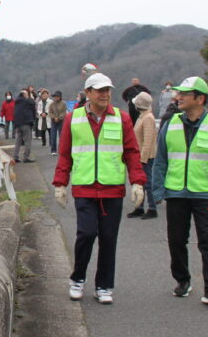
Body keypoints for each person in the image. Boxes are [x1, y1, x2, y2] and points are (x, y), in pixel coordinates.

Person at [53, 71, 146, 304]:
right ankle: (78, 278)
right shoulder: (72, 118)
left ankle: (104, 285)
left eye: (108, 90)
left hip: (112, 188)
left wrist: (137, 182)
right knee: (86, 233)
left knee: (108, 237)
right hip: (84, 187)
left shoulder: (122, 118)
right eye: (100, 90)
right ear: (88, 94)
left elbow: (132, 152)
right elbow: (64, 153)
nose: (105, 95)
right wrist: (60, 184)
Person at [151, 76, 208, 308]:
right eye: (178, 94)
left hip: (204, 192)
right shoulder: (170, 124)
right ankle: (182, 280)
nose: (178, 98)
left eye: (184, 95)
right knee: (177, 240)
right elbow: (161, 161)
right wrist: (157, 191)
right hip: (176, 192)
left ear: (200, 99)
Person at [129, 91, 158, 219]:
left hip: (146, 156)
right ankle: (139, 207)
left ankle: (152, 208)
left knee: (147, 182)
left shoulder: (148, 118)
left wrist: (143, 158)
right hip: (140, 154)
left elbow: (148, 140)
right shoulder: (143, 116)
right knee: (140, 183)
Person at [12, 88, 36, 163]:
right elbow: (33, 103)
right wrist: (31, 97)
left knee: (18, 141)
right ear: (25, 95)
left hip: (18, 124)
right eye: (27, 94)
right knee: (27, 141)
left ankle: (15, 157)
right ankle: (26, 157)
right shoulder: (26, 101)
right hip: (26, 123)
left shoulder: (17, 102)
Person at [48, 91, 67, 156]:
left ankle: (61, 149)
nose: (55, 98)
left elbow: (64, 112)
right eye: (55, 96)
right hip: (53, 121)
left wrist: (59, 118)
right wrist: (54, 117)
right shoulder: (51, 104)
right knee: (53, 136)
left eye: (57, 96)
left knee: (61, 136)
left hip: (61, 121)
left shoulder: (63, 103)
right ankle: (53, 150)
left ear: (60, 97)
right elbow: (50, 112)